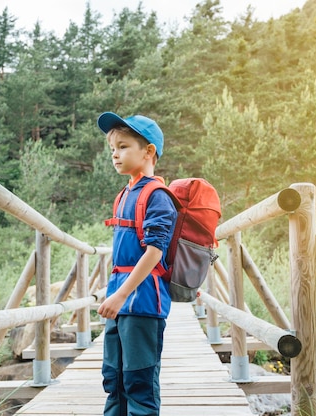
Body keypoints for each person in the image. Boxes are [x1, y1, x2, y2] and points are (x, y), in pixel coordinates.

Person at [96, 112, 178, 416]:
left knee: (139, 383)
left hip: (142, 302)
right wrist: (115, 296)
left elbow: (154, 253)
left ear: (149, 151)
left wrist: (120, 296)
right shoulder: (124, 194)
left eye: (124, 146)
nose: (115, 154)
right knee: (114, 380)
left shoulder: (157, 196)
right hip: (119, 300)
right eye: (112, 149)